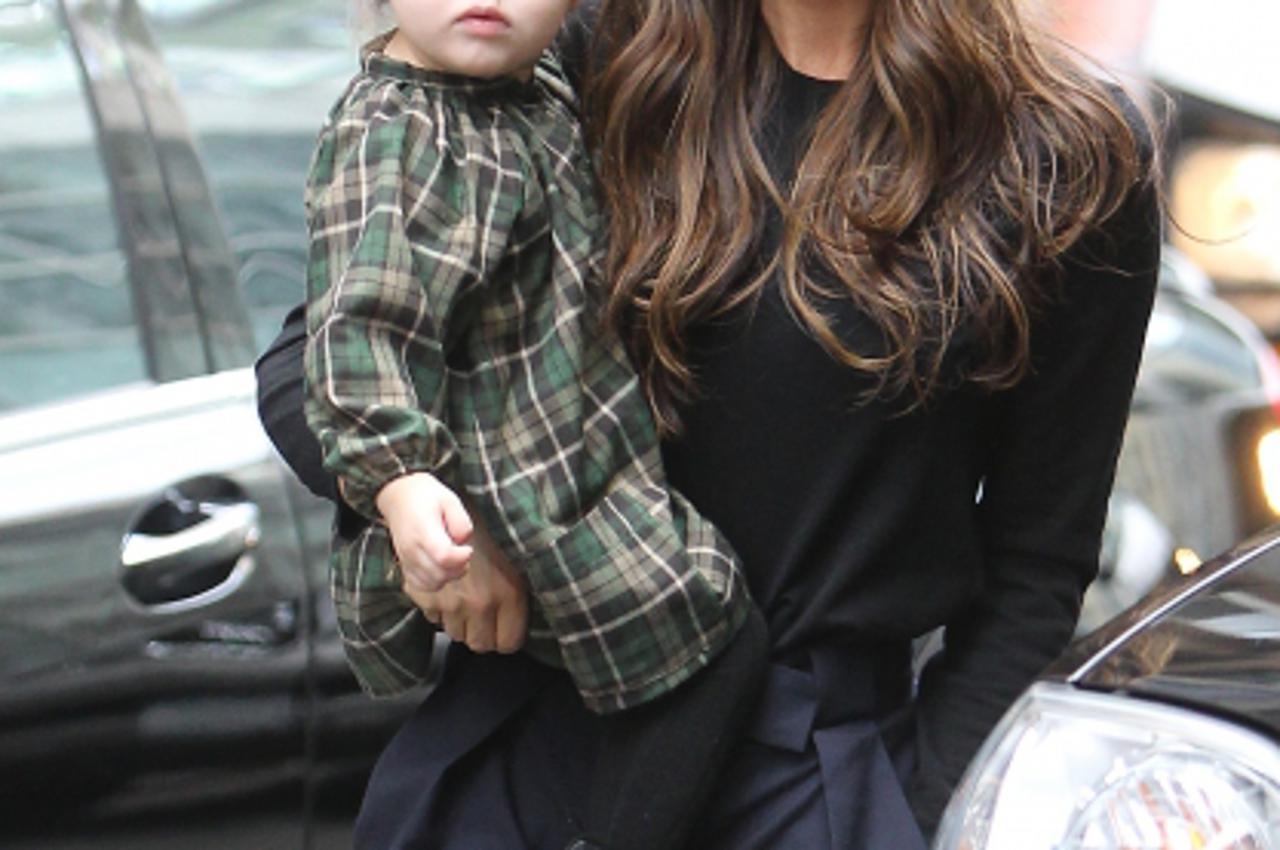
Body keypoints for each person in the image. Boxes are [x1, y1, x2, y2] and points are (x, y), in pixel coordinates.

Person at [257, 0, 1163, 847]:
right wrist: (436, 510)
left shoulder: (1061, 153)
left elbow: (1036, 567)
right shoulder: (605, 56)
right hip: (526, 739)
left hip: (809, 774)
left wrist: (924, 812)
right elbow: (313, 359)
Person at [299, 0, 767, 847]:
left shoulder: (540, 86)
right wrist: (400, 484)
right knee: (708, 635)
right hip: (530, 491)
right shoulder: (394, 131)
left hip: (585, 455)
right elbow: (358, 332)